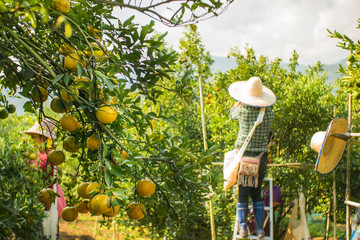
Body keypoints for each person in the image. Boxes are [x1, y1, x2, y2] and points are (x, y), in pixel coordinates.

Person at [228, 76, 276, 238]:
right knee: (257, 193)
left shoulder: (242, 110)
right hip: (260, 157)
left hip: (243, 157)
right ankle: (260, 230)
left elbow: (231, 114)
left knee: (242, 193)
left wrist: (237, 104)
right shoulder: (270, 115)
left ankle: (243, 229)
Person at [25, 118, 66, 240]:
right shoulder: (40, 155)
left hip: (45, 203)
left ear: (43, 138)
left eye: (34, 137)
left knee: (44, 234)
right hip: (44, 201)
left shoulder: (48, 157)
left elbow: (36, 172)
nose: (32, 141)